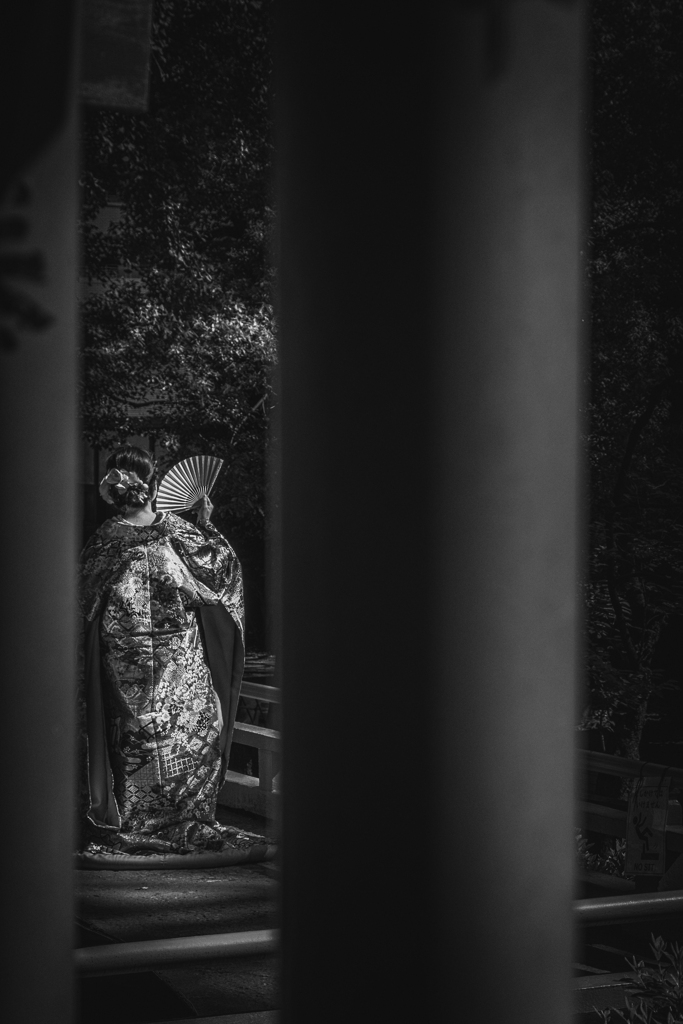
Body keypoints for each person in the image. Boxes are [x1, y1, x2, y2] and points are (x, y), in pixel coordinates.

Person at [78, 444, 272, 866]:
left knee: (161, 735)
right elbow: (219, 573)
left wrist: (202, 524)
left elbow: (82, 603)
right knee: (155, 736)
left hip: (149, 659)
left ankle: (159, 817)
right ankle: (157, 818)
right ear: (152, 485)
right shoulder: (166, 532)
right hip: (159, 660)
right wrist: (205, 527)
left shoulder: (109, 539)